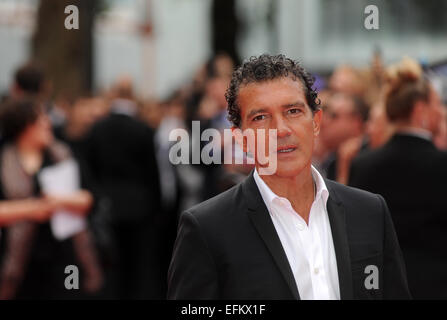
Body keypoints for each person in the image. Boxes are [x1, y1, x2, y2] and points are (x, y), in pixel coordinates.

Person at [168, 54, 410, 300]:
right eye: (260, 117)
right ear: (241, 138)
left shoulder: (370, 212)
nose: (281, 130)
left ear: (316, 122)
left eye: (293, 111)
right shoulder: (208, 229)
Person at [349, 57, 447, 299]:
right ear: (420, 110)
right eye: (436, 103)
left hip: (384, 287)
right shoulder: (442, 164)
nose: (440, 110)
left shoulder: (363, 164)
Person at [0, 97, 102, 299]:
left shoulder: (62, 154)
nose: (47, 123)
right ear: (24, 126)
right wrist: (33, 209)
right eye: (40, 120)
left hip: (64, 257)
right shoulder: (4, 161)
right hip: (16, 261)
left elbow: (90, 198)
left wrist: (61, 201)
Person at [84, 77, 162, 299]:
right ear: (132, 95)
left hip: (107, 207)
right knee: (139, 264)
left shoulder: (97, 129)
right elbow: (153, 173)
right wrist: (156, 206)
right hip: (140, 207)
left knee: (111, 264)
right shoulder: (144, 130)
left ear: (113, 94)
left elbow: (90, 171)